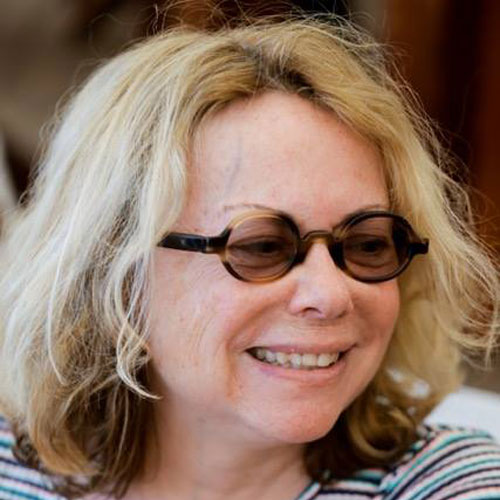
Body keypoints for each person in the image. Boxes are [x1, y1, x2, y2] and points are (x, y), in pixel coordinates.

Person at [0, 15, 499, 500]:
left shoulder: (452, 483)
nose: (330, 294)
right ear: (116, 274)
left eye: (367, 244)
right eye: (262, 247)